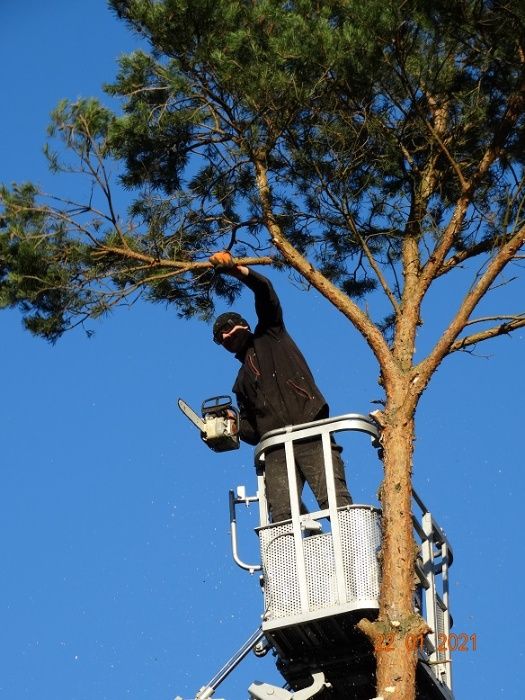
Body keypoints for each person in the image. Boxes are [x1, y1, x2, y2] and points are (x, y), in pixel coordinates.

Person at [210, 251, 352, 523]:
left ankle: (354, 548)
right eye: (220, 337)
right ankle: (296, 548)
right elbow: (253, 429)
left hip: (310, 429)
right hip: (276, 447)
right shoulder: (240, 383)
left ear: (244, 326)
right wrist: (232, 426)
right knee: (282, 513)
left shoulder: (271, 334)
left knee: (334, 499)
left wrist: (236, 270)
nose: (226, 335)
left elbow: (266, 292)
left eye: (228, 328)